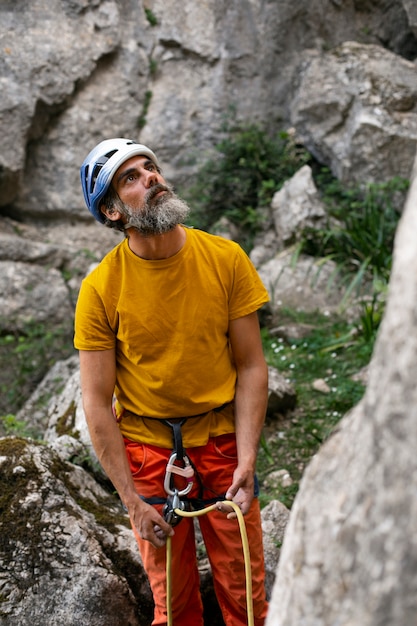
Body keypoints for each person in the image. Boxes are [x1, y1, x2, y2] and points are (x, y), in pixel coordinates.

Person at [74, 137, 269, 626]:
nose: (151, 178)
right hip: (148, 453)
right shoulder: (101, 289)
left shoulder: (225, 259)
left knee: (247, 598)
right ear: (114, 212)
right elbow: (97, 402)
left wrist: (247, 457)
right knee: (175, 608)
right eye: (132, 178)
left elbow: (250, 365)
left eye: (151, 168)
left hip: (224, 443)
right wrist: (131, 503)